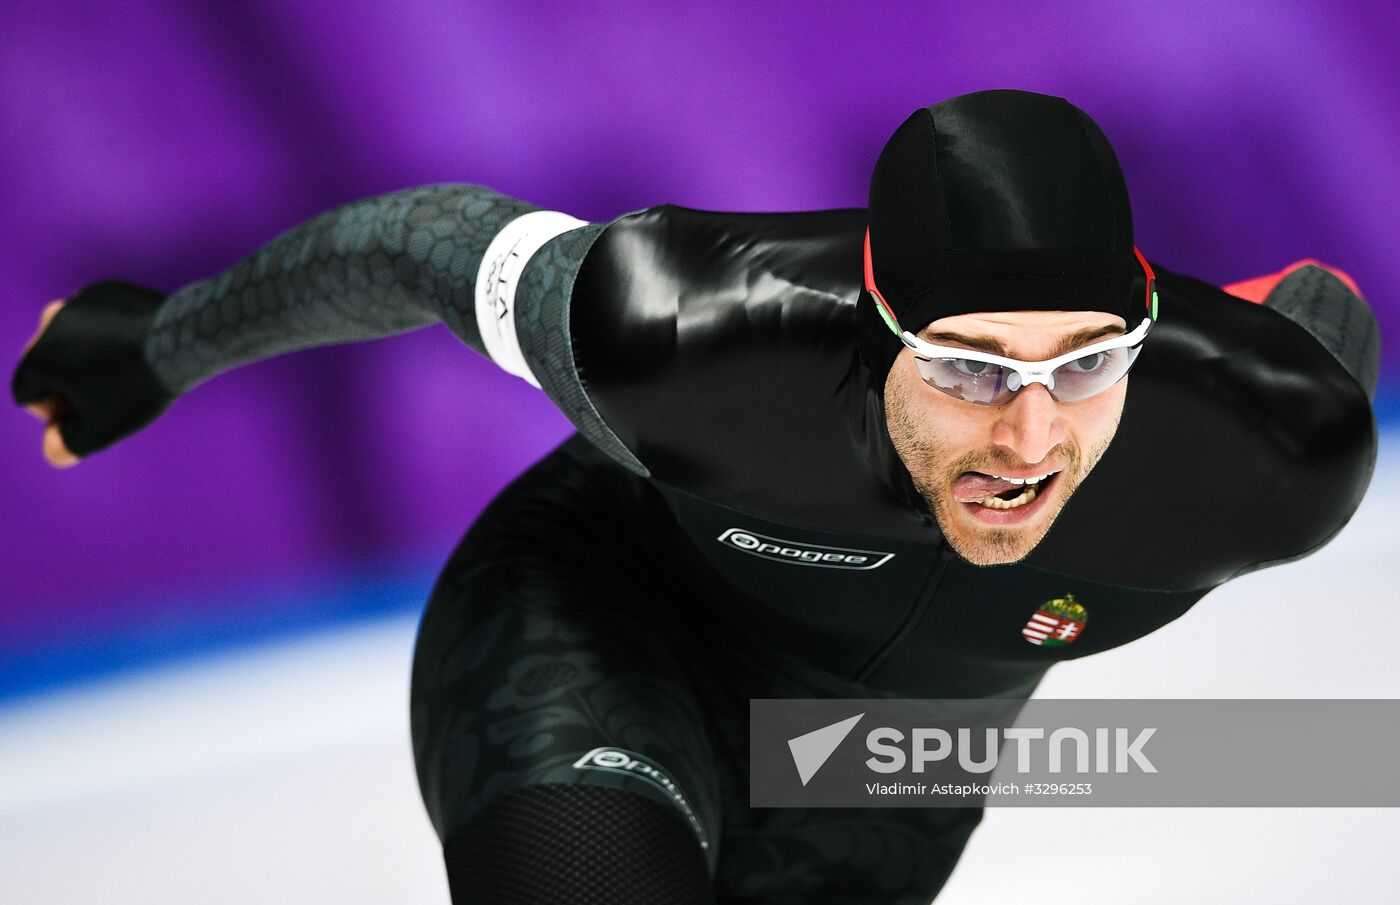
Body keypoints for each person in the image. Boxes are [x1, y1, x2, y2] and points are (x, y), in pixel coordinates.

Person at [11, 89, 1379, 904]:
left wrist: (1218, 334)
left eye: (1085, 365)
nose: (1030, 433)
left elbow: (1315, 315)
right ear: (873, 328)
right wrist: (159, 341)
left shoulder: (1264, 449)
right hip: (605, 627)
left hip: (877, 764)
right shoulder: (693, 334)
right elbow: (420, 247)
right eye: (967, 368)